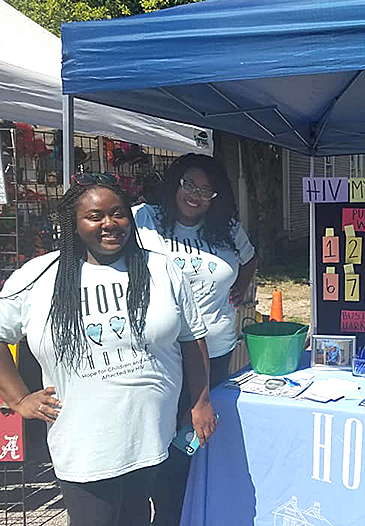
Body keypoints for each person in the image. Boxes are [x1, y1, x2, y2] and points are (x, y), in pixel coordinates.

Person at [0, 173, 217, 526]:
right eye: (95, 216)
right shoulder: (37, 277)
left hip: (152, 439)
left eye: (118, 213)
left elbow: (193, 340)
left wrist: (201, 402)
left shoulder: (160, 268)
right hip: (85, 448)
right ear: (74, 222)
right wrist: (19, 399)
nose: (109, 224)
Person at [132, 153, 257, 525]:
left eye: (206, 190)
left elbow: (249, 259)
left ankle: (189, 513)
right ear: (174, 183)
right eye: (188, 184)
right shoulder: (145, 218)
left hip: (214, 354)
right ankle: (168, 516)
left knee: (194, 443)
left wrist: (242, 285)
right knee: (159, 445)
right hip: (160, 355)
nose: (195, 195)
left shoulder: (227, 227)